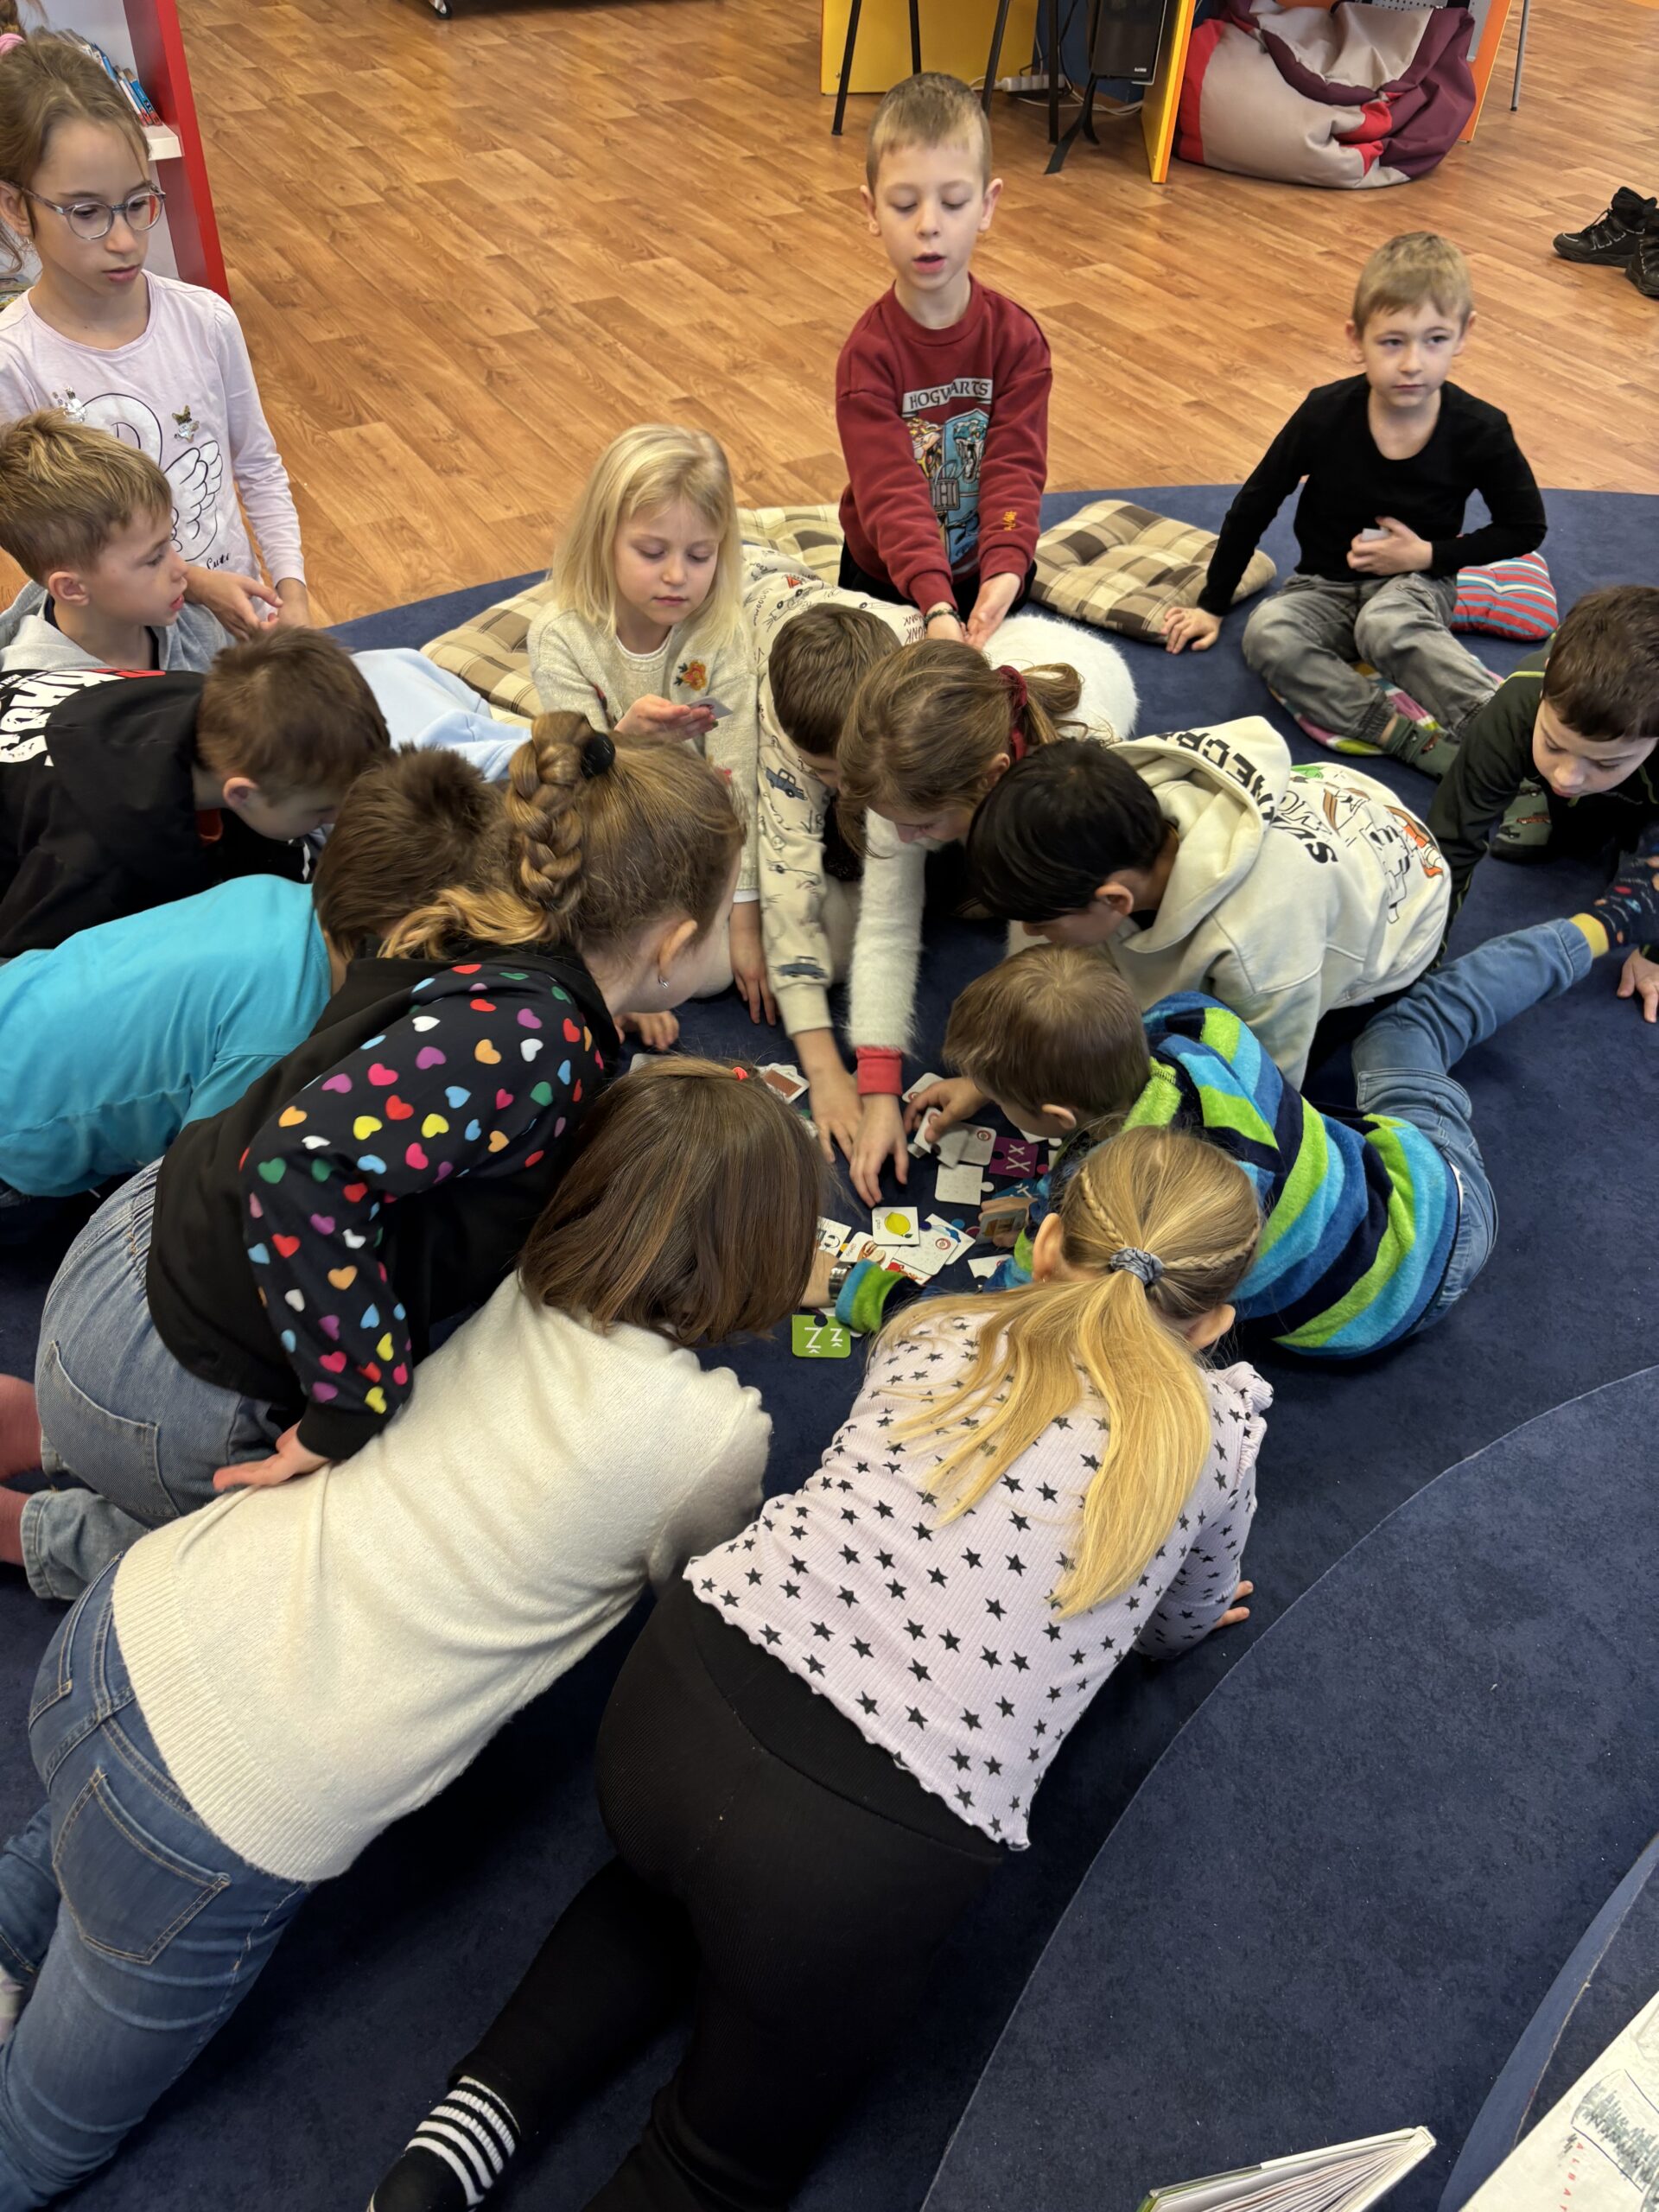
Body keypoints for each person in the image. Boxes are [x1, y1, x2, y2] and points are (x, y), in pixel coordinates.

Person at [372, 1125, 1268, 2212]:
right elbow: (1176, 1625)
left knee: (659, 1890)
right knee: (711, 2162)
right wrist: (1186, 1617)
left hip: (677, 1705)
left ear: (1044, 1246)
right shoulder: (1218, 1436)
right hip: (860, 1858)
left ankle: (442, 2159)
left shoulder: (935, 1329)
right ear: (1214, 1321)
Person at [0, 1058, 824, 2210]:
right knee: (39, 2143)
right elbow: (694, 1582)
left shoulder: (520, 1287)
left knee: (50, 1859)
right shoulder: (717, 1434)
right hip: (216, 1814)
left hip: (124, 1627)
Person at [0, 716, 746, 1601]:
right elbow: (299, 1166)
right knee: (303, 1582)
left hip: (142, 1248)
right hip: (181, 1362)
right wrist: (353, 1405)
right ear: (673, 945)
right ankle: (39, 1523)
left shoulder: (492, 915)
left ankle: (61, 1421)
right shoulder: (539, 1035)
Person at [907, 898, 1658, 1358]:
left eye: (1004, 1099)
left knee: (1416, 1034)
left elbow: (1023, 1306)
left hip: (1384, 1304)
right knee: (1420, 1026)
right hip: (1422, 1183)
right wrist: (991, 1080)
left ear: (1057, 1120)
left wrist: (901, 1300)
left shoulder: (1123, 1200)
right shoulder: (1194, 1021)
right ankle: (1592, 925)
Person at [0, 747, 508, 1245]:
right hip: (15, 1150)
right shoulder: (277, 1036)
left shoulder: (268, 889)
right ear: (411, 932)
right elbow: (192, 1184)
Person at [1164, 233, 1546, 779]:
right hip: (1323, 588)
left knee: (1385, 625)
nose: (1412, 363)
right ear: (1356, 339)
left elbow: (1525, 527)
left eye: (1435, 340)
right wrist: (1212, 603)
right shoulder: (1324, 413)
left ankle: (1505, 736)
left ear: (1464, 334)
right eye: (1392, 342)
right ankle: (1406, 736)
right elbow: (1256, 502)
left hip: (1415, 587)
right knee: (1267, 633)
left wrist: (1427, 555)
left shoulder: (1480, 428)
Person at [0, 23, 308, 641]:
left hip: (238, 626)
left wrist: (293, 592)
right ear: (16, 208)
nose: (124, 240)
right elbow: (48, 546)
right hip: (121, 649)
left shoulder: (206, 319)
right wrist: (194, 583)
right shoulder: (14, 362)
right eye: (87, 212)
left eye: (138, 202)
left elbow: (257, 464)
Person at [961, 728, 1450, 1089]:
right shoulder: (1111, 797)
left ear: (1114, 900)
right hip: (1341, 799)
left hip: (1406, 910)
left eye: (1041, 921)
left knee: (1210, 1063)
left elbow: (1265, 1087)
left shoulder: (1260, 951)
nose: (1029, 931)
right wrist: (999, 1079)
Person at [833, 635, 1138, 1204]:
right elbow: (885, 925)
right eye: (892, 819)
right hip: (981, 728)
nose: (902, 837)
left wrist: (991, 1076)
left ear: (992, 778)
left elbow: (1046, 949)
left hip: (1095, 686)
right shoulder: (895, 774)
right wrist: (876, 1087)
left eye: (921, 823)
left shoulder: (1069, 793)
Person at [526, 423, 766, 1021]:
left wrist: (744, 918)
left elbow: (737, 777)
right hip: (612, 835)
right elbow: (573, 789)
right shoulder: (561, 636)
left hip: (696, 840)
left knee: (729, 963)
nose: (677, 576)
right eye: (652, 553)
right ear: (603, 540)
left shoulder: (720, 634)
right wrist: (620, 743)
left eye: (700, 555)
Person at [0, 626, 389, 956]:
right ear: (241, 795)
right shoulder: (92, 869)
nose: (338, 818)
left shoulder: (209, 698)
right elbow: (22, 973)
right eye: (320, 812)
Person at [836, 71, 1050, 651]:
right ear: (871, 210)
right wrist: (933, 602)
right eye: (905, 204)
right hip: (888, 578)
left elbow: (1016, 467)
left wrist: (1007, 567)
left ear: (987, 205)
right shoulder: (867, 358)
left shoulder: (1017, 341)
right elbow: (888, 491)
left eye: (953, 202)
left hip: (988, 569)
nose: (929, 224)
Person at [1427, 585, 1659, 1021]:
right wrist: (1419, 962)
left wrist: (1653, 954)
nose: (1567, 776)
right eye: (1554, 743)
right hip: (1609, 781)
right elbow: (1450, 842)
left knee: (1639, 871)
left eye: (1604, 761)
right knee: (1577, 834)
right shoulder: (1517, 703)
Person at [0, 407, 226, 671]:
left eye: (170, 539)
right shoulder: (41, 691)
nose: (182, 568)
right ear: (72, 588)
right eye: (154, 559)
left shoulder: (195, 626)